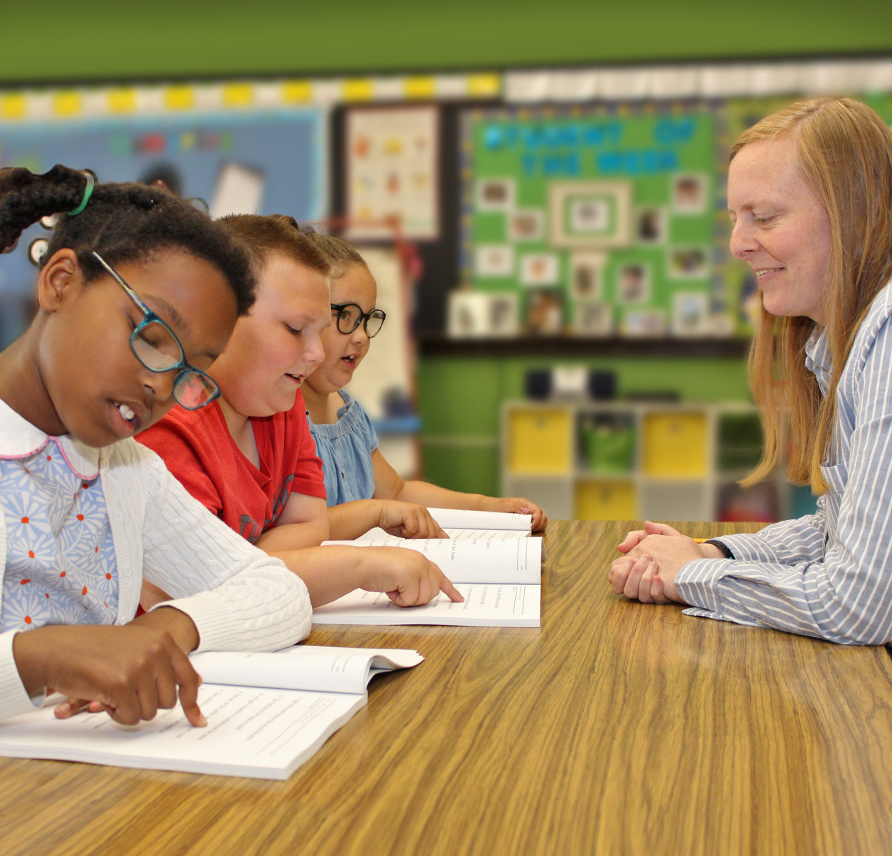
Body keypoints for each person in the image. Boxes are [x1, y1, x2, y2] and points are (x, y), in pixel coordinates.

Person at [0, 165, 312, 726]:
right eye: (150, 335)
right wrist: (43, 657)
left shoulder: (127, 469)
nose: (163, 384)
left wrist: (166, 628)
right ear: (61, 282)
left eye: (192, 368)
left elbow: (278, 591)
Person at [609, 96, 892, 646]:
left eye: (763, 217)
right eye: (735, 219)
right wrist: (714, 553)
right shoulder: (839, 345)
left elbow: (860, 606)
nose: (738, 244)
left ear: (855, 213)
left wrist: (689, 575)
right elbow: (841, 534)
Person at [138, 214, 461, 609]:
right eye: (294, 329)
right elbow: (207, 589)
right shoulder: (168, 430)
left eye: (320, 330)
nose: (317, 354)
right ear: (218, 317)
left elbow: (311, 524)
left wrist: (249, 564)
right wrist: (360, 566)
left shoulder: (283, 404)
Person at [302, 233, 548, 539]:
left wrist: (486, 506)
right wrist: (375, 513)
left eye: (366, 319)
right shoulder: (280, 422)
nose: (362, 336)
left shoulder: (348, 414)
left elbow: (397, 491)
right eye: (346, 316)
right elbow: (297, 532)